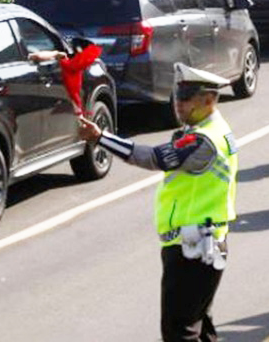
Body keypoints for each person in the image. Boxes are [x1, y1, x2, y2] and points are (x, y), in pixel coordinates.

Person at [76, 64, 238, 342]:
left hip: (193, 245)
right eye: (177, 95)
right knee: (199, 326)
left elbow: (152, 157)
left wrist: (101, 138)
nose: (178, 103)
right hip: (207, 241)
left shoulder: (204, 140)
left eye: (186, 97)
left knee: (179, 331)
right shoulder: (214, 129)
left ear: (209, 100)